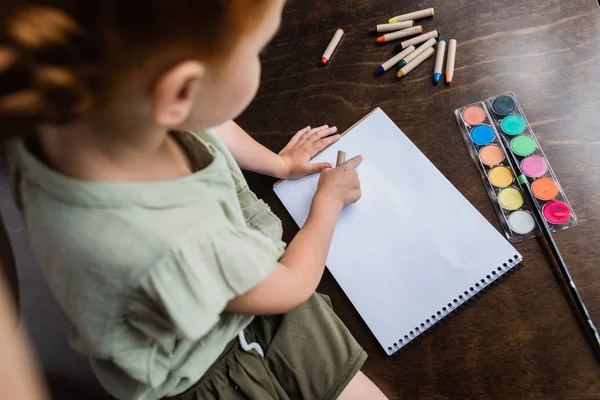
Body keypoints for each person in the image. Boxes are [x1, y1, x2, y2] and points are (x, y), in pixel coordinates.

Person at [0, 1, 387, 399]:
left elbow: (209, 119)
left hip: (211, 291)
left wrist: (280, 164)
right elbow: (291, 286)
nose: (258, 58)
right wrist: (327, 204)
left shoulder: (67, 113)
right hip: (213, 369)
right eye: (257, 52)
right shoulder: (176, 242)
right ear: (180, 90)